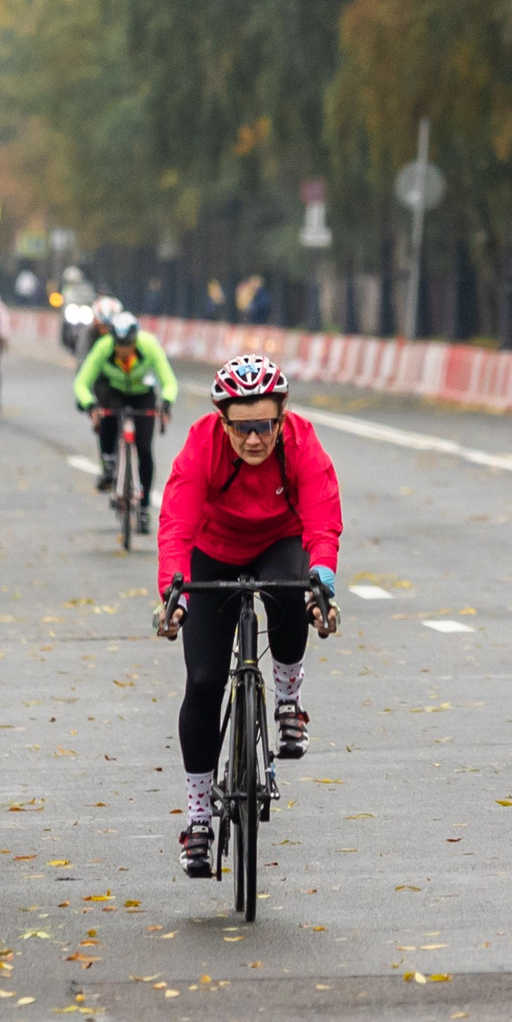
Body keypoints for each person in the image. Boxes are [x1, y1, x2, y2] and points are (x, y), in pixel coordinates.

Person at [153, 354, 343, 879]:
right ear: (223, 422)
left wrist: (322, 577)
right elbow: (177, 520)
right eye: (241, 428)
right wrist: (174, 591)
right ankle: (197, 818)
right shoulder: (201, 445)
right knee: (205, 679)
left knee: (291, 591)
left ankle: (287, 699)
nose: (253, 440)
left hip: (278, 540)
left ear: (281, 419)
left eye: (263, 426)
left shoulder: (302, 443)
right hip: (213, 549)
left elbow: (323, 515)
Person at [72, 313, 178, 530]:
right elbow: (82, 382)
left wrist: (166, 403)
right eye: (119, 344)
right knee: (106, 414)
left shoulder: (149, 346)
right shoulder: (103, 347)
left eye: (128, 344)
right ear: (113, 340)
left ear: (135, 339)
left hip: (143, 395)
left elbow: (169, 380)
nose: (123, 349)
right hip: (115, 392)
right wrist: (89, 405)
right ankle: (109, 461)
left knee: (145, 451)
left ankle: (144, 507)